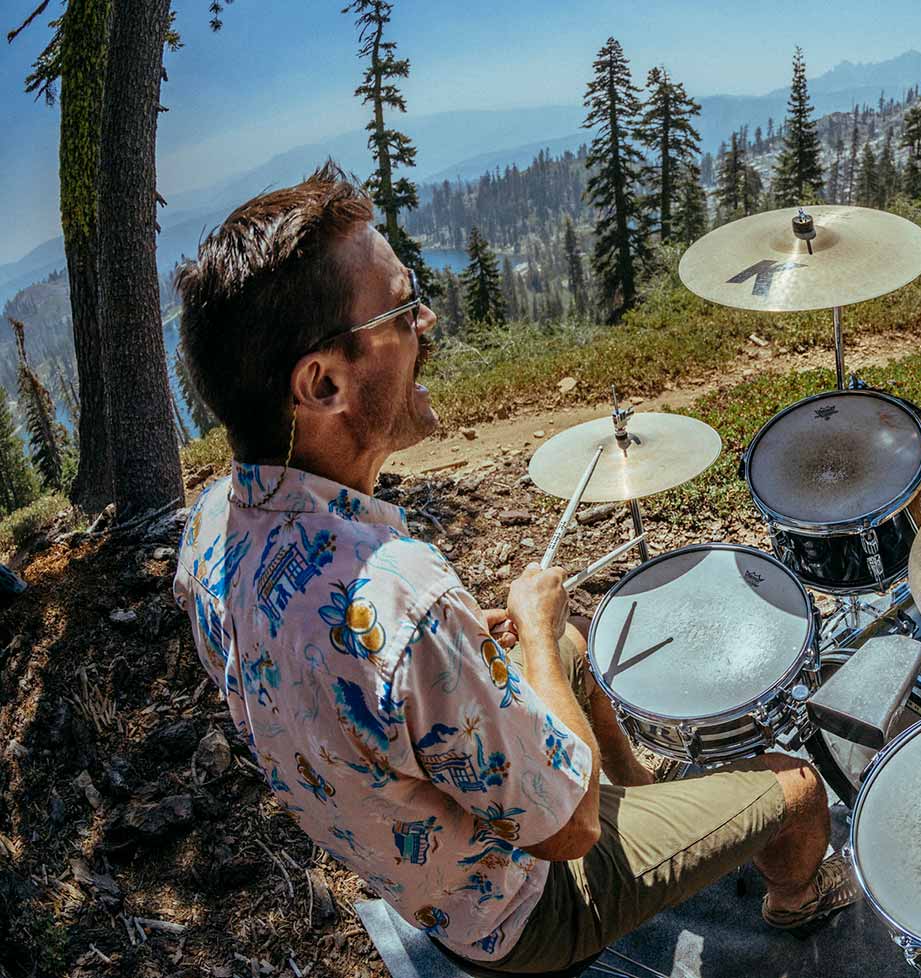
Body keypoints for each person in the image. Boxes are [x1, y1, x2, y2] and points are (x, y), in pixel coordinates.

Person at [171, 163, 856, 976]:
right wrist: (524, 629)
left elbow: (346, 683)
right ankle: (798, 901)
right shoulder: (403, 599)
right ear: (322, 382)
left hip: (409, 861)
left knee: (562, 643)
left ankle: (637, 785)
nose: (427, 319)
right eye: (400, 308)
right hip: (523, 909)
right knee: (798, 790)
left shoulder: (213, 525)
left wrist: (491, 654)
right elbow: (566, 831)